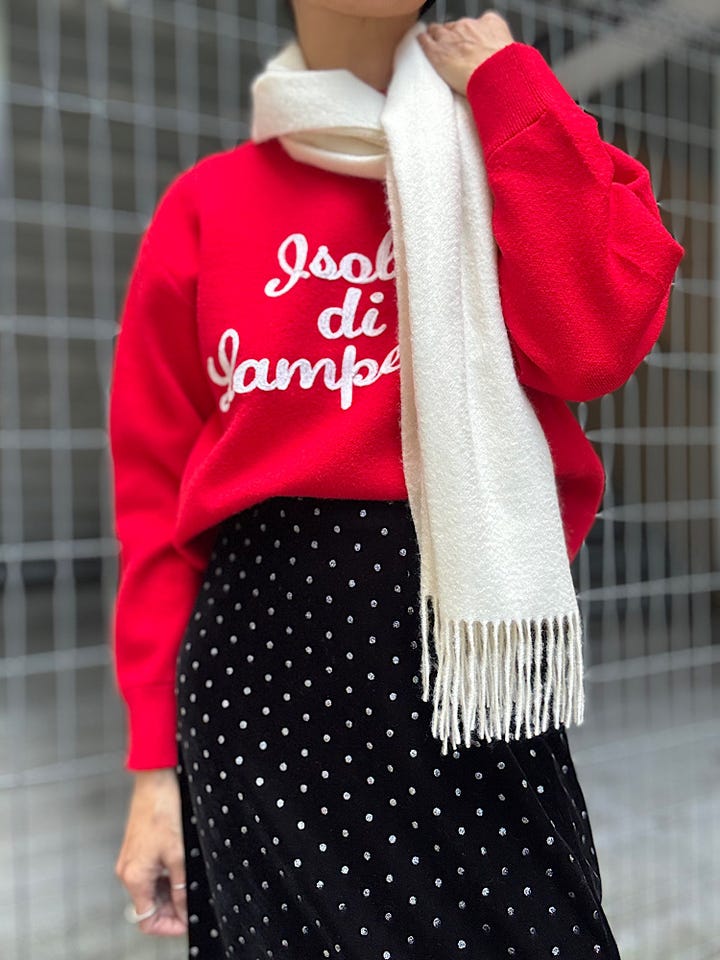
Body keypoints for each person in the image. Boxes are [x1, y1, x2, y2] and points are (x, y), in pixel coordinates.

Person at [108, 1, 684, 957]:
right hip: (258, 691)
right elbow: (153, 505)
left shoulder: (513, 142)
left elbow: (596, 341)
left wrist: (509, 88)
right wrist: (151, 770)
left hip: (472, 672)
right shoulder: (207, 205)